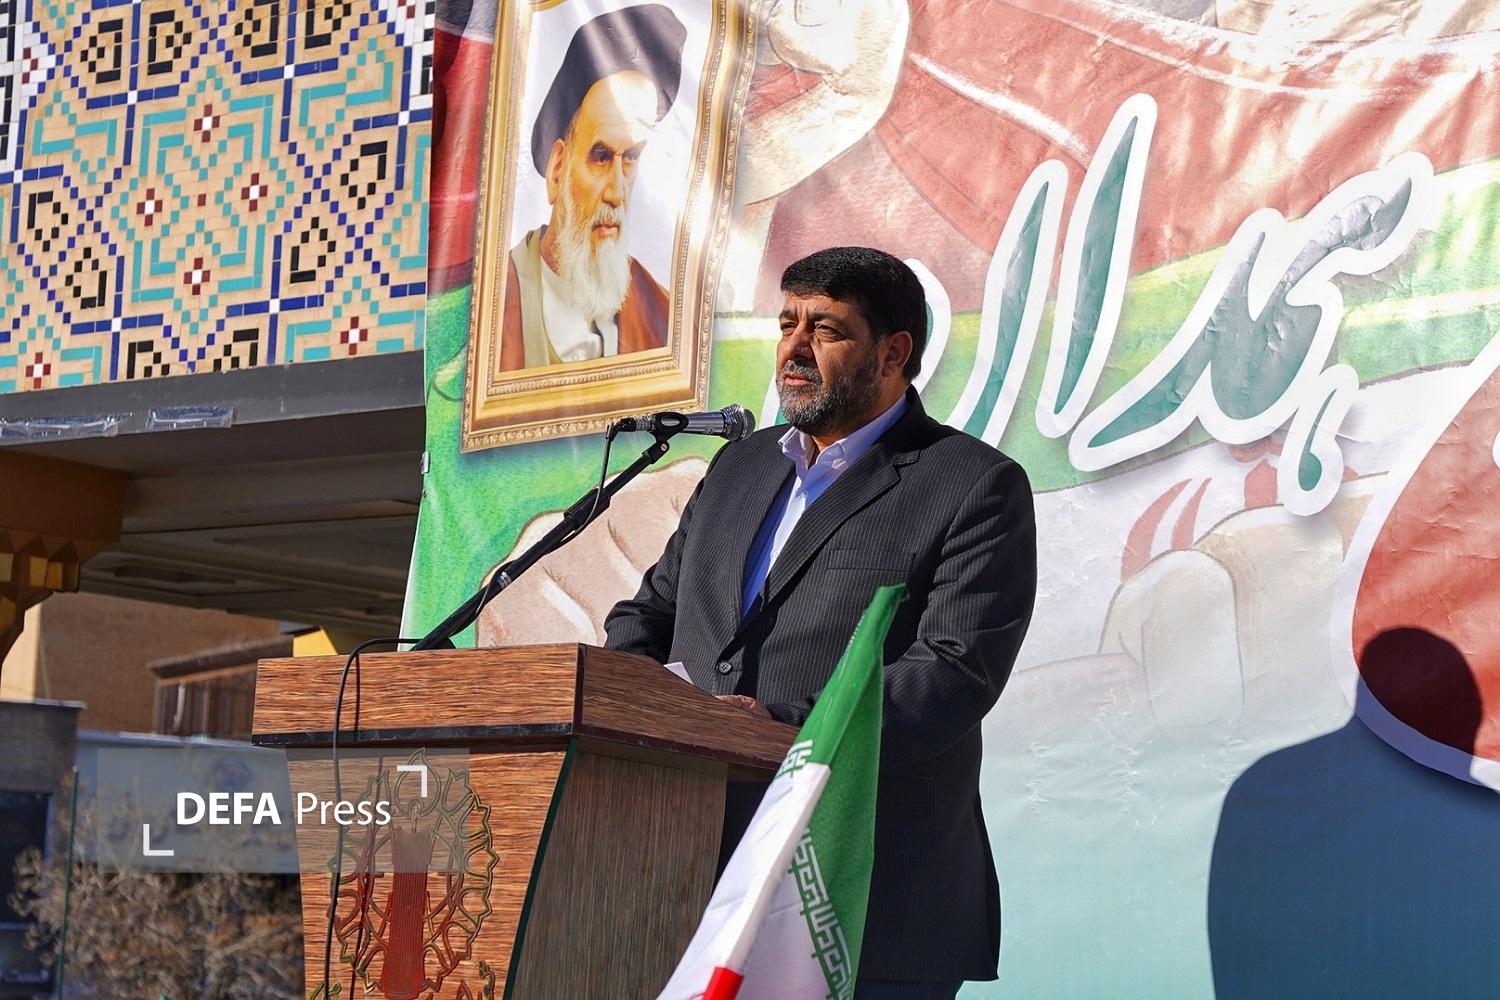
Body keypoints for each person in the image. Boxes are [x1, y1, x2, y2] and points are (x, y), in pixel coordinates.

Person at [605, 246, 1038, 997]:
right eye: (787, 324)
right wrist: (626, 703)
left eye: (826, 329)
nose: (795, 348)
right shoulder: (740, 469)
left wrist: (779, 730)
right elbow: (650, 615)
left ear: (893, 353)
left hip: (858, 897)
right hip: (687, 876)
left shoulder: (971, 484)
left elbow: (952, 674)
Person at [500, 4, 683, 372]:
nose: (616, 193)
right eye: (600, 157)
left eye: (631, 157)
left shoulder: (661, 315)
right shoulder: (493, 304)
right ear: (557, 170)